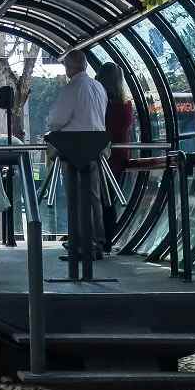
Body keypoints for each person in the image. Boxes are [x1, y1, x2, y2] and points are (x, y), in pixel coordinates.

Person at [47, 50, 108, 260]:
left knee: (75, 198)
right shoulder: (98, 87)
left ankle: (80, 244)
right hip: (96, 147)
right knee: (93, 196)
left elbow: (56, 120)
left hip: (73, 149)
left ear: (70, 67)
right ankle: (97, 242)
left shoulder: (72, 87)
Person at [96, 62, 133, 255]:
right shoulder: (126, 104)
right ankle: (107, 240)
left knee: (97, 198)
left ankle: (99, 239)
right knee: (109, 199)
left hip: (102, 154)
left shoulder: (103, 103)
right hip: (120, 155)